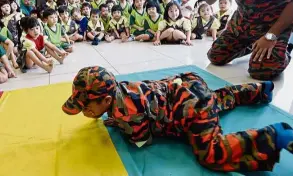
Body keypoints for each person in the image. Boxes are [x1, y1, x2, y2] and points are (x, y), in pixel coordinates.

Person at [63, 66, 293, 173]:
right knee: (217, 99)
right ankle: (261, 90)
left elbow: (142, 140)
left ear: (105, 100)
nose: (85, 112)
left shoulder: (125, 112)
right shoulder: (121, 88)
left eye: (86, 106)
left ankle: (274, 136)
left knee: (211, 154)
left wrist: (122, 127)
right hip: (185, 83)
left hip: (190, 108)